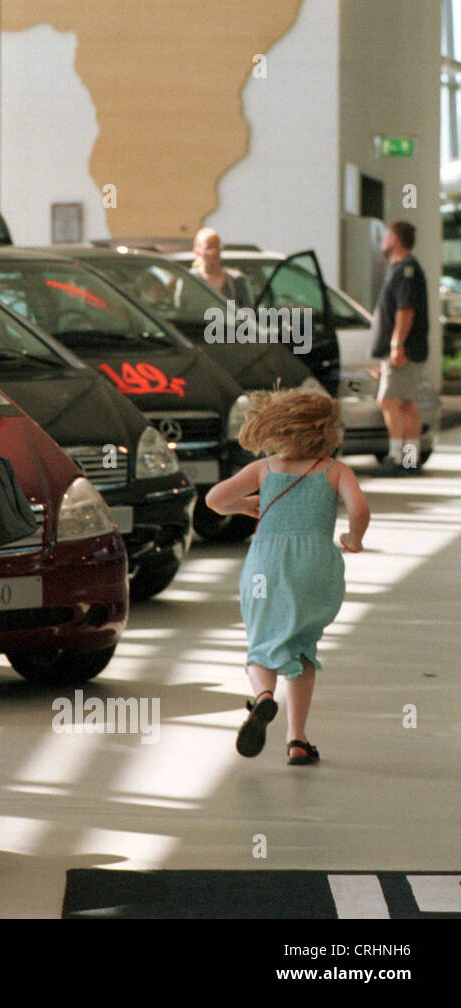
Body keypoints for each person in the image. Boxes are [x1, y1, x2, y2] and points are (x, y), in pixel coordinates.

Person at [204, 388, 370, 766]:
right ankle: (297, 739)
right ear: (328, 432)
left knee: (262, 642)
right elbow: (359, 508)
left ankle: (263, 698)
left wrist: (244, 505)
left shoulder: (265, 468)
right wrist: (353, 538)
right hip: (313, 566)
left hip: (266, 565)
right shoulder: (334, 469)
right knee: (301, 646)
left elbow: (214, 499)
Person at [370, 220, 430, 476]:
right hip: (403, 349)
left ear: (394, 239)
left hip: (403, 351)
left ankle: (396, 458)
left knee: (388, 400)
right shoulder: (402, 269)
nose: (382, 242)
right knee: (405, 403)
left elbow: (406, 310)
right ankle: (409, 459)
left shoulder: (406, 270)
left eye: (385, 237)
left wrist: (396, 345)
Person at [190, 227, 252, 304]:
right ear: (197, 252)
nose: (215, 251)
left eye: (217, 246)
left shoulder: (235, 280)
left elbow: (247, 312)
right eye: (209, 247)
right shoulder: (189, 279)